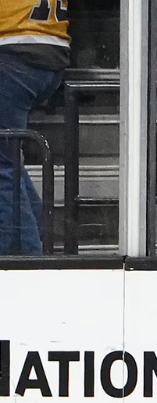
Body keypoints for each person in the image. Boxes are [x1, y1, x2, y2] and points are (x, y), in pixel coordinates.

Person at [0, 0, 70, 255]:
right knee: (8, 160)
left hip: (13, 51)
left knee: (2, 167)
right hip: (49, 52)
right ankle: (39, 238)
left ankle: (23, 260)